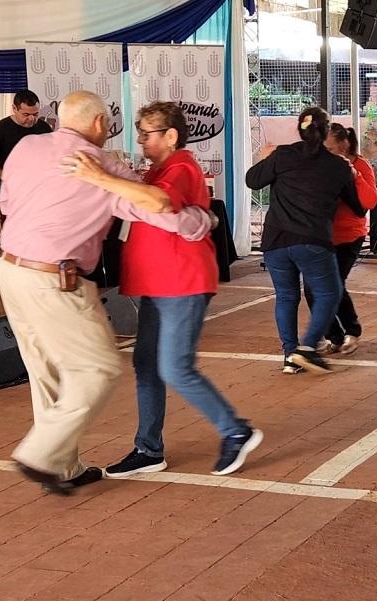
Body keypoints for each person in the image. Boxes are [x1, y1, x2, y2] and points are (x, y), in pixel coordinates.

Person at [0, 91, 213, 494]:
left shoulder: (27, 146)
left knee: (46, 371)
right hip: (56, 279)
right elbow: (158, 208)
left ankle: (62, 466)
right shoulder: (102, 165)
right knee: (99, 368)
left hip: (10, 269)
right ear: (99, 124)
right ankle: (41, 454)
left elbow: (8, 202)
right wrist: (201, 221)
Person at [68, 101, 262, 478]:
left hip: (182, 281)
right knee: (147, 364)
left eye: (146, 133)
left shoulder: (180, 167)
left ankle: (235, 429)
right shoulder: (158, 170)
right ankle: (148, 448)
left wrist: (100, 177)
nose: (140, 140)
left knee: (175, 367)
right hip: (159, 282)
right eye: (138, 132)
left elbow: (158, 205)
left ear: (171, 136)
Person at [246, 107, 364, 374]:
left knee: (286, 297)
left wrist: (265, 158)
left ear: (299, 129)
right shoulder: (338, 166)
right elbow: (358, 208)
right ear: (325, 133)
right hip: (312, 240)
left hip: (275, 239)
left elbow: (252, 180)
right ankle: (308, 348)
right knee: (330, 293)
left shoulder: (283, 155)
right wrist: (350, 177)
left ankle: (290, 356)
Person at [303, 123, 377, 356]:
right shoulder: (319, 166)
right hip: (320, 235)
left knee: (333, 285)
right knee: (311, 288)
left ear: (344, 145)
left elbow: (370, 200)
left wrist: (354, 176)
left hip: (349, 236)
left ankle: (352, 331)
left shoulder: (360, 165)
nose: (323, 152)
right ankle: (333, 336)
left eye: (328, 148)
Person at [0, 89, 53, 195]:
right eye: (26, 114)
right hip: (12, 191)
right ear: (14, 108)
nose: (32, 119)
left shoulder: (44, 127)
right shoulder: (0, 129)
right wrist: (8, 177)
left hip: (40, 189)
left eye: (35, 114)